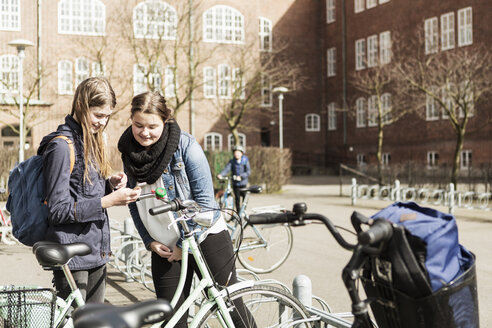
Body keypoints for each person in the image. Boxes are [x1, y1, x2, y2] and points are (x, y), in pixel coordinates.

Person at [118, 91, 253, 328]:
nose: (144, 133)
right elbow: (134, 202)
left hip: (204, 237)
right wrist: (149, 240)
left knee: (230, 307)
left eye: (152, 126)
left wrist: (183, 245)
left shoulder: (186, 146)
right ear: (131, 120)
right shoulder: (129, 150)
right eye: (138, 125)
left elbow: (207, 206)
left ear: (165, 120)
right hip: (164, 246)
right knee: (172, 318)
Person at [40, 77, 141, 303]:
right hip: (72, 254)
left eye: (107, 116)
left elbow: (82, 191)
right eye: (98, 115)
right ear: (81, 106)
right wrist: (109, 201)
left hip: (96, 250)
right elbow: (58, 210)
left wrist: (109, 184)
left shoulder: (90, 140)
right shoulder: (61, 147)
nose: (102, 122)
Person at [217, 145, 251, 211]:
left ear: (242, 153)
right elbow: (227, 169)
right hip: (236, 184)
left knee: (244, 199)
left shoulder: (245, 160)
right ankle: (238, 213)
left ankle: (243, 211)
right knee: (237, 199)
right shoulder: (232, 161)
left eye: (238, 152)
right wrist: (221, 174)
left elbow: (248, 171)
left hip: (243, 183)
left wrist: (241, 176)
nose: (237, 154)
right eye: (235, 152)